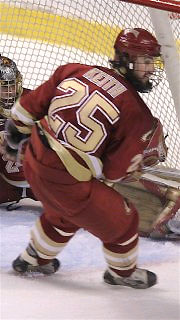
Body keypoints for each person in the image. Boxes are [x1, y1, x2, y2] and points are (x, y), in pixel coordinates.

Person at [3, 28, 168, 289]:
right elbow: (113, 174)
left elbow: (27, 108)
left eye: (152, 61)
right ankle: (121, 274)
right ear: (124, 59)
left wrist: (14, 139)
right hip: (66, 181)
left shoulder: (74, 70)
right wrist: (137, 164)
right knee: (125, 221)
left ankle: (34, 259)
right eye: (145, 61)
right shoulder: (137, 115)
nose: (150, 68)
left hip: (33, 162)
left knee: (66, 213)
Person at [0, 55, 36, 209]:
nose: (9, 92)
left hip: (41, 182)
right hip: (5, 185)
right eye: (3, 87)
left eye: (12, 85)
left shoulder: (33, 100)